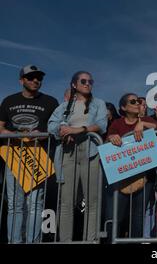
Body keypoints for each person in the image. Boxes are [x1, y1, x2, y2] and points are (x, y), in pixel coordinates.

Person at [0, 65, 59, 243]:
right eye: (31, 77)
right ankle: (14, 241)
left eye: (38, 78)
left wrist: (40, 134)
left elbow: (55, 127)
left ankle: (33, 241)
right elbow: (0, 127)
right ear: (21, 81)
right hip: (13, 156)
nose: (35, 80)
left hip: (37, 157)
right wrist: (17, 135)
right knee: (14, 205)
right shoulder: (9, 100)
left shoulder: (50, 101)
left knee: (35, 205)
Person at [48, 71, 107, 242]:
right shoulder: (65, 106)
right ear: (74, 84)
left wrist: (77, 130)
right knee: (66, 202)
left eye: (90, 81)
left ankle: (90, 240)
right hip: (68, 153)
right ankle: (65, 241)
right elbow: (51, 125)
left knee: (92, 202)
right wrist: (63, 132)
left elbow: (101, 125)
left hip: (91, 152)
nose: (88, 83)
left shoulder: (99, 104)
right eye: (83, 81)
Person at [106, 93, 157, 238]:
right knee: (118, 215)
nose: (137, 103)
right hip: (122, 179)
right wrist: (112, 137)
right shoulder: (117, 124)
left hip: (145, 177)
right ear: (123, 107)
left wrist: (143, 124)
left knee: (138, 216)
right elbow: (107, 142)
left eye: (138, 101)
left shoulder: (147, 119)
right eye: (133, 101)